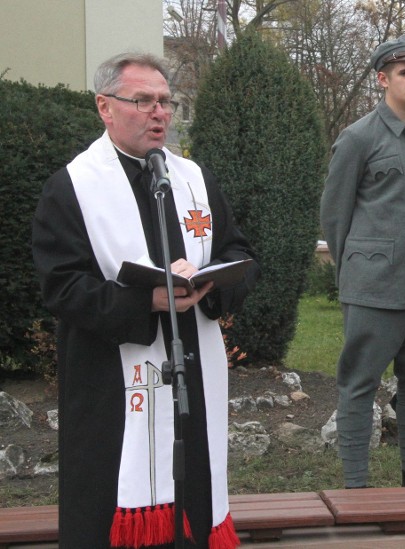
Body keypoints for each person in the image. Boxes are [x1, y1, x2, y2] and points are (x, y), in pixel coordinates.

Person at [31, 52, 260, 548]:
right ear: (105, 107)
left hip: (190, 368)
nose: (159, 113)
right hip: (109, 383)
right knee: (108, 500)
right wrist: (148, 303)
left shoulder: (193, 180)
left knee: (191, 498)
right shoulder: (72, 188)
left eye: (165, 102)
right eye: (143, 101)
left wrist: (213, 284)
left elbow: (238, 251)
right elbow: (63, 286)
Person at [320, 35, 405, 489]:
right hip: (375, 285)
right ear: (383, 79)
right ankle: (356, 485)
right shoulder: (358, 138)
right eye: (404, 73)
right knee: (359, 384)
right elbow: (335, 215)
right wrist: (355, 274)